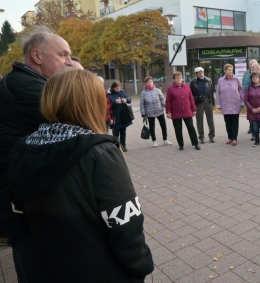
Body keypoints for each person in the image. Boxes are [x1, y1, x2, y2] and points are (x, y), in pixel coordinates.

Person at [8, 69, 154, 282]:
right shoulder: (101, 153)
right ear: (91, 102)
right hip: (99, 269)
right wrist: (141, 265)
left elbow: (19, 215)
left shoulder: (22, 148)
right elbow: (125, 224)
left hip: (46, 267)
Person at [0, 29, 78, 282]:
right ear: (36, 55)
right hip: (20, 197)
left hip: (18, 192)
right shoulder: (30, 88)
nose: (68, 61)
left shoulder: (24, 82)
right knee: (34, 258)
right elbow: (79, 122)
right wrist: (79, 79)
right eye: (63, 54)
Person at [166, 72, 200, 151]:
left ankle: (195, 143)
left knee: (191, 127)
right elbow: (168, 101)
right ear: (174, 79)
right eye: (177, 78)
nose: (179, 79)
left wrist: (194, 109)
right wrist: (168, 112)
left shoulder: (187, 87)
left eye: (180, 77)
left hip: (187, 111)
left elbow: (191, 99)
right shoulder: (170, 89)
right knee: (178, 129)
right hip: (176, 112)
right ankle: (181, 144)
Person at [216, 64, 244, 146]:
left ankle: (235, 138)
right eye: (228, 70)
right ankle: (230, 138)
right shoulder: (220, 80)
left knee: (235, 122)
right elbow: (218, 93)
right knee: (227, 123)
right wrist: (218, 104)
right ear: (225, 71)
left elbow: (241, 90)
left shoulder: (236, 79)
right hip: (225, 104)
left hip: (235, 103)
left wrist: (242, 102)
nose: (230, 71)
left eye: (232, 70)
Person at [140, 76, 172, 148]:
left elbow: (162, 100)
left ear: (153, 82)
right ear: (145, 83)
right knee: (152, 127)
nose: (149, 83)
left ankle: (165, 139)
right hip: (150, 113)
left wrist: (168, 107)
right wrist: (143, 113)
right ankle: (154, 141)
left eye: (150, 81)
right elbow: (142, 104)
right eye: (147, 82)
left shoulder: (157, 90)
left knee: (163, 126)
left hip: (159, 111)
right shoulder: (143, 93)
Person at [243, 61, 260, 140]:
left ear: (258, 68)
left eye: (253, 68)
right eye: (251, 68)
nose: (251, 69)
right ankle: (254, 134)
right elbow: (245, 87)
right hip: (252, 104)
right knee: (253, 121)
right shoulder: (249, 76)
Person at [190, 67, 215, 144]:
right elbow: (190, 94)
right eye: (199, 73)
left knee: (210, 119)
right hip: (198, 102)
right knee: (199, 120)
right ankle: (201, 137)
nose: (201, 74)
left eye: (202, 72)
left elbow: (211, 91)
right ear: (196, 74)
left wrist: (212, 103)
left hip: (208, 100)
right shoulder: (193, 82)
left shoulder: (208, 80)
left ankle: (211, 136)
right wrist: (192, 105)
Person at [108, 81, 132, 152]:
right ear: (113, 88)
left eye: (119, 88)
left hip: (123, 116)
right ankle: (116, 147)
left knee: (123, 131)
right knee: (115, 133)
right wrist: (115, 102)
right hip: (115, 116)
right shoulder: (109, 94)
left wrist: (126, 99)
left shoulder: (122, 92)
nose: (118, 89)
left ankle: (123, 146)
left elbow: (129, 98)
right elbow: (108, 104)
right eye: (116, 88)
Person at [242, 59, 259, 135]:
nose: (253, 67)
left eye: (255, 65)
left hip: (259, 98)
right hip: (250, 97)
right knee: (251, 114)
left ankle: (257, 129)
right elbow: (244, 84)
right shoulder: (246, 73)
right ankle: (252, 128)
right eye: (252, 65)